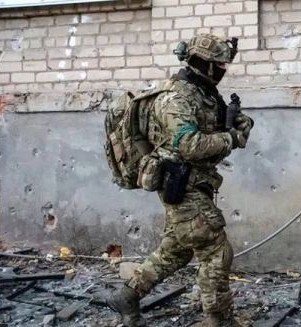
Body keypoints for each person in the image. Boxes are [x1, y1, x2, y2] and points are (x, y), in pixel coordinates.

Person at [106, 33, 253, 327]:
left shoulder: (203, 92)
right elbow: (190, 145)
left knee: (177, 249)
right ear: (204, 64)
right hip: (182, 184)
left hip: (198, 182)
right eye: (219, 64)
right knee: (215, 249)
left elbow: (215, 126)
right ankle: (218, 320)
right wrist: (232, 138)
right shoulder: (175, 99)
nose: (223, 69)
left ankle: (128, 295)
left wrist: (240, 123)